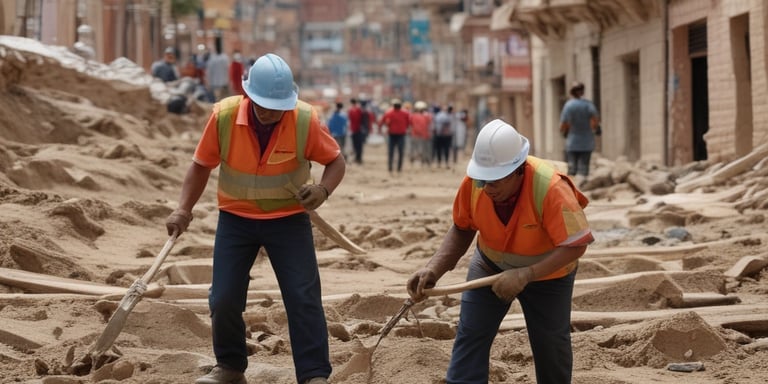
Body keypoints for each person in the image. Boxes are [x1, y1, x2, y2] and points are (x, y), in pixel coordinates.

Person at [165, 53, 344, 384]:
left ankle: (314, 374)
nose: (270, 113)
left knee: (303, 296)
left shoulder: (304, 119)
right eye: (263, 105)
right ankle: (231, 367)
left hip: (288, 221)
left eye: (277, 107)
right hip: (236, 219)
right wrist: (183, 209)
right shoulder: (224, 116)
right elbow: (201, 165)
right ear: (248, 95)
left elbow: (336, 161)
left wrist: (322, 190)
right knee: (224, 298)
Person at [406, 119, 593, 384]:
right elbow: (462, 229)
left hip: (548, 275)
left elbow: (576, 244)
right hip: (489, 264)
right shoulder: (475, 184)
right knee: (471, 333)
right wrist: (434, 267)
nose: (486, 187)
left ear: (518, 170)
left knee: (550, 343)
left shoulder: (551, 189)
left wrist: (527, 274)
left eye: (494, 181)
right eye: (482, 179)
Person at [560, 82, 600, 179]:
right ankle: (582, 189)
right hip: (587, 142)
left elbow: (564, 123)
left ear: (572, 92)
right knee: (584, 169)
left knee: (572, 169)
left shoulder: (568, 106)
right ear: (582, 92)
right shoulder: (588, 105)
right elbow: (595, 119)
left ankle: (571, 189)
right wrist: (596, 129)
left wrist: (564, 132)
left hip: (572, 142)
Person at [378, 98, 410, 174]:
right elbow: (408, 123)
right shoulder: (404, 113)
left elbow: (381, 122)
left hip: (395, 135)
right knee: (399, 152)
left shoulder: (389, 112)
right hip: (397, 135)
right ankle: (396, 168)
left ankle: (392, 168)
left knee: (392, 152)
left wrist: (381, 129)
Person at [408, 100, 432, 166]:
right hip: (423, 135)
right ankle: (423, 160)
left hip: (416, 135)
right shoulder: (427, 116)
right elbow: (429, 123)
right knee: (424, 149)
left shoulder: (413, 116)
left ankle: (414, 159)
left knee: (415, 148)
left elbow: (410, 124)